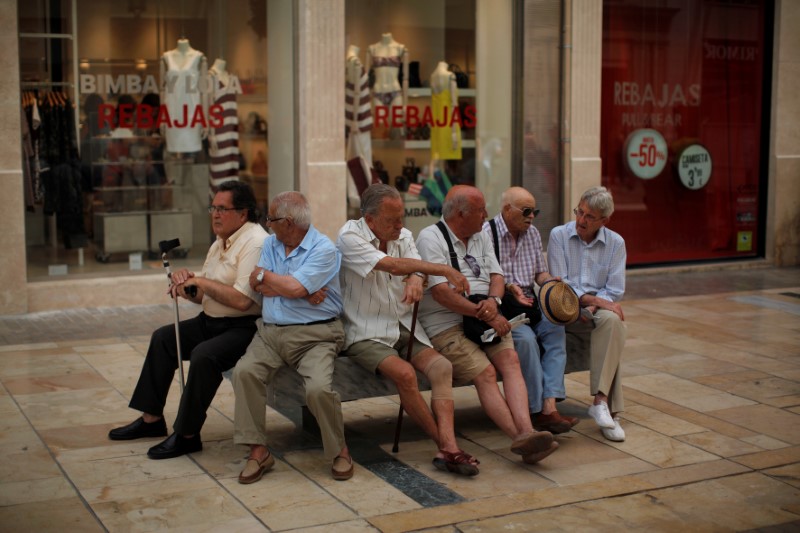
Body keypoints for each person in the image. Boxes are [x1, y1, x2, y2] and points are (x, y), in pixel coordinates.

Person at [109, 180, 266, 459]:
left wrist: (201, 281)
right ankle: (151, 420)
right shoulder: (220, 243)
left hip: (244, 327)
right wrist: (186, 285)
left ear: (243, 213)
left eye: (222, 209)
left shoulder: (255, 240)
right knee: (163, 338)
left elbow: (244, 301)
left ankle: (187, 434)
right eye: (213, 208)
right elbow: (202, 295)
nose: (215, 214)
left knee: (204, 355)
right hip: (212, 320)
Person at [337, 184, 479, 476]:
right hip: (366, 329)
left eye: (401, 217)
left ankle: (448, 446)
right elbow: (391, 264)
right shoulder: (349, 235)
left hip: (402, 324)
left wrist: (417, 277)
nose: (401, 225)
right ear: (370, 219)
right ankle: (447, 446)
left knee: (441, 367)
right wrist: (440, 270)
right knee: (405, 374)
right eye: (393, 220)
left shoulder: (402, 234)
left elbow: (412, 264)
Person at [416, 185, 558, 464]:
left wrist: (494, 300)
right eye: (480, 210)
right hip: (447, 325)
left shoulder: (480, 234)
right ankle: (520, 439)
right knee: (486, 374)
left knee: (511, 361)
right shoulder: (430, 238)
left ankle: (528, 432)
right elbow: (442, 293)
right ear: (460, 214)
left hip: (488, 316)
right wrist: (486, 313)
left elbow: (497, 275)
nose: (486, 216)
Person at [232, 191, 353, 484]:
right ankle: (258, 451)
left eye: (270, 219)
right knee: (244, 372)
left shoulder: (323, 249)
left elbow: (290, 287)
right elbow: (256, 283)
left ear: (287, 222)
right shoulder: (272, 244)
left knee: (319, 390)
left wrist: (287, 284)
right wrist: (299, 288)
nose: (267, 224)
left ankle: (340, 451)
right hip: (270, 333)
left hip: (317, 334)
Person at [483, 186, 578, 434]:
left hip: (531, 305)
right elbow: (483, 281)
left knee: (556, 328)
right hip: (504, 308)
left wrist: (553, 283)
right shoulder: (486, 234)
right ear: (506, 210)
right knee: (525, 341)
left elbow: (539, 273)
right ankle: (535, 410)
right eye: (526, 211)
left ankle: (549, 406)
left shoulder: (532, 233)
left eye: (534, 211)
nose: (532, 216)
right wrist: (509, 287)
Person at [547, 186, 627, 442]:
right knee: (610, 321)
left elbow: (614, 289)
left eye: (589, 217)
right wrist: (590, 300)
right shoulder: (559, 235)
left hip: (594, 310)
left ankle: (600, 401)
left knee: (613, 322)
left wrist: (593, 307)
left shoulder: (616, 243)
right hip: (563, 308)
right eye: (579, 212)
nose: (581, 220)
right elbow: (561, 282)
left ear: (604, 220)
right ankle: (612, 414)